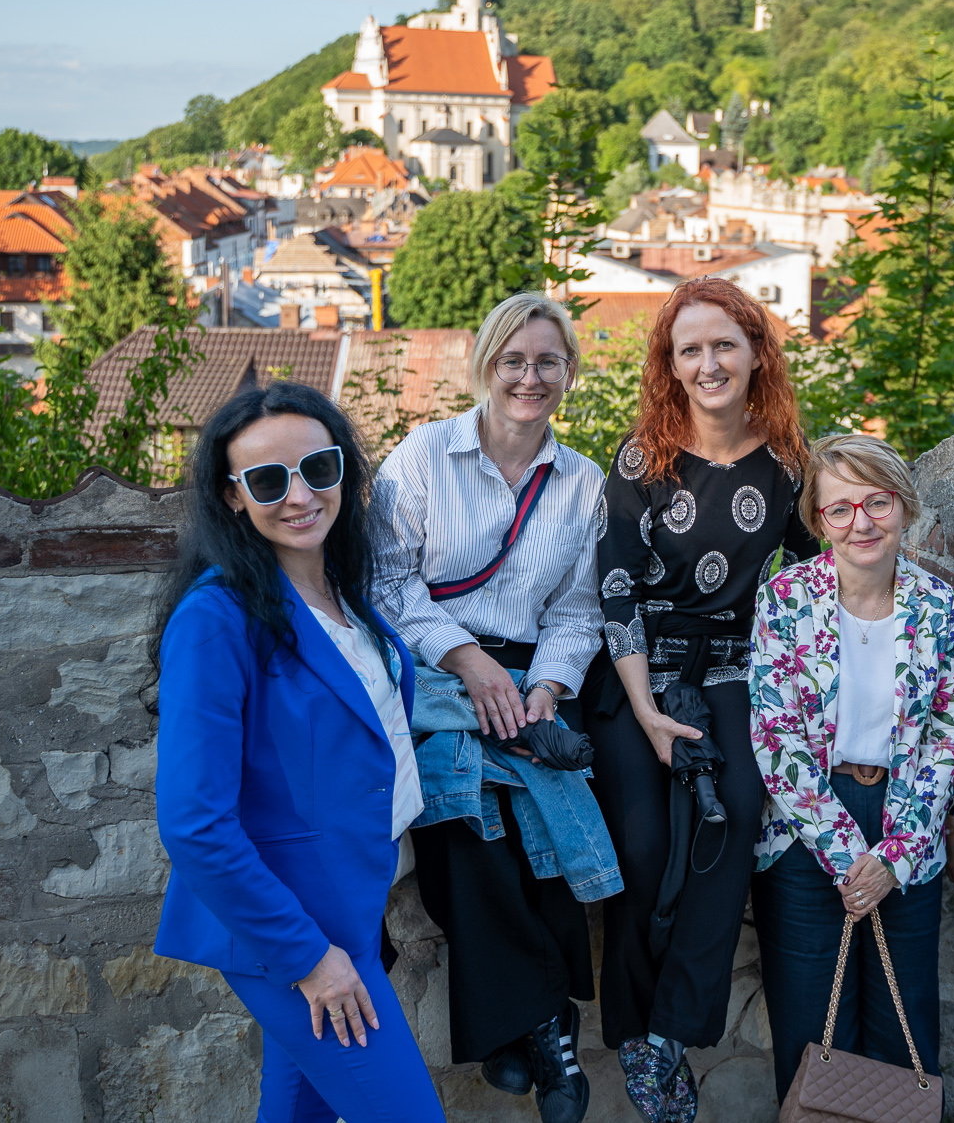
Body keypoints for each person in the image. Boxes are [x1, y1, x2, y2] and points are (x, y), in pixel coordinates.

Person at [153, 381, 444, 1123]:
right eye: (267, 479)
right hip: (290, 930)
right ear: (232, 496)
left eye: (318, 468)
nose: (300, 495)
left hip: (349, 905)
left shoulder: (343, 593)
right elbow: (194, 823)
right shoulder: (216, 618)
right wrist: (308, 958)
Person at [370, 291, 611, 1123]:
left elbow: (578, 610)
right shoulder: (424, 455)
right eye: (514, 359)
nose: (529, 377)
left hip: (532, 676)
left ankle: (513, 1031)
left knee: (543, 816)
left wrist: (546, 688)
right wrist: (467, 660)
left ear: (569, 371)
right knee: (468, 820)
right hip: (435, 670)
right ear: (485, 365)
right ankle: (550, 1027)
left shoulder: (582, 484)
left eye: (547, 361)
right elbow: (386, 578)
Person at [591, 276, 819, 1122]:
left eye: (725, 343)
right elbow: (616, 586)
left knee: (734, 824)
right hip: (638, 670)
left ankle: (667, 1037)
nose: (709, 362)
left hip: (732, 670)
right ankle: (633, 1028)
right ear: (671, 363)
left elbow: (818, 571)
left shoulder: (789, 460)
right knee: (645, 845)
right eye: (690, 348)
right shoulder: (641, 456)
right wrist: (647, 710)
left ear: (756, 351)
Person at [747, 433, 954, 1104]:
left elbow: (946, 735)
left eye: (878, 502)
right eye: (840, 508)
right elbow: (775, 736)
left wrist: (894, 855)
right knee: (812, 1030)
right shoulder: (786, 598)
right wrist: (848, 855)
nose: (861, 522)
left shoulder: (938, 605)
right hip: (805, 829)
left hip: (906, 827)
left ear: (905, 507)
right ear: (818, 520)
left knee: (904, 1027)